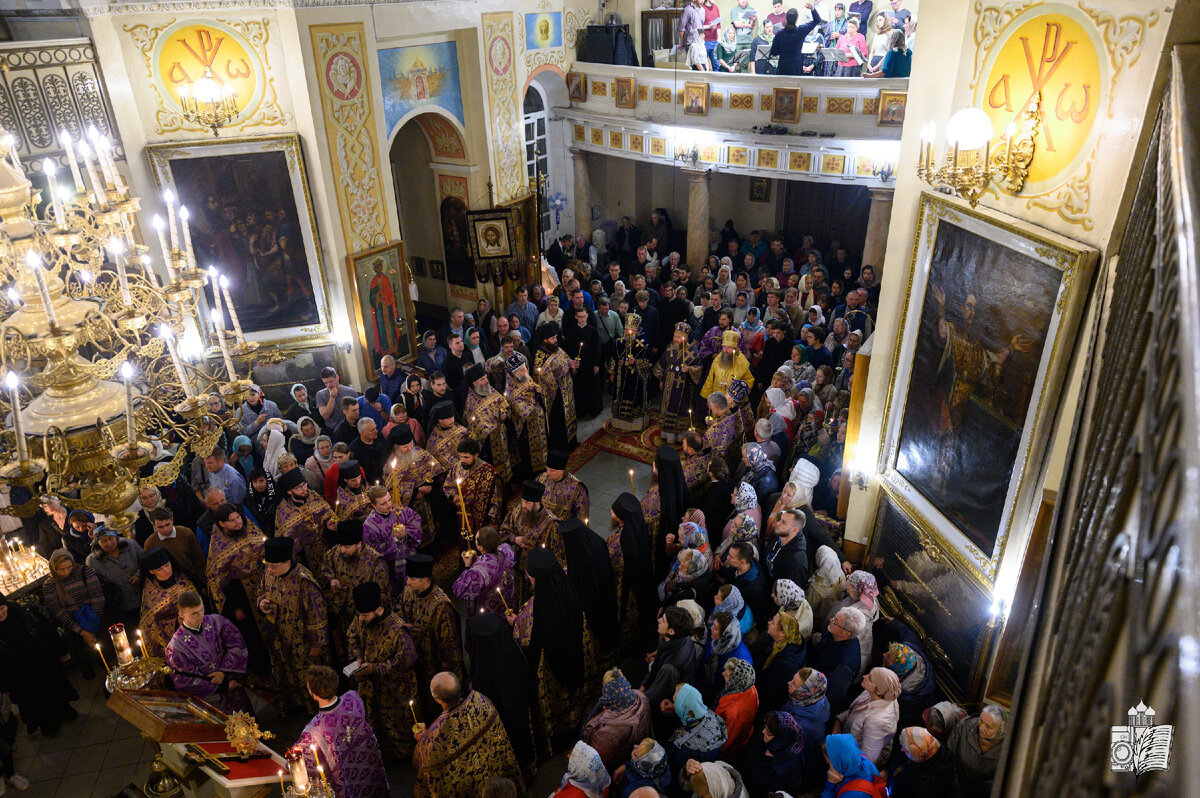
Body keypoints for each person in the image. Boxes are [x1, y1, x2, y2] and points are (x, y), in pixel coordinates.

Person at [510, 547, 600, 757]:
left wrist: (515, 623)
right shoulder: (568, 590)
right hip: (574, 659)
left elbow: (523, 642)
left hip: (550, 672)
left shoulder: (531, 611)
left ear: (535, 578)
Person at [413, 671, 525, 797]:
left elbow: (425, 766)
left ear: (438, 700)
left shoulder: (434, 736)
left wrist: (423, 740)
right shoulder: (481, 700)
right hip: (494, 772)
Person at [345, 581, 418, 762]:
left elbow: (406, 662)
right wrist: (358, 657)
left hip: (394, 690)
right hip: (370, 688)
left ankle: (402, 761)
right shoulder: (361, 617)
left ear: (378, 609)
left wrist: (375, 669)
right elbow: (352, 636)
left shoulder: (397, 630)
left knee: (394, 726)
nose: (360, 619)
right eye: (359, 614)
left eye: (364, 615)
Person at [259, 537, 329, 717]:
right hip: (278, 638)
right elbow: (261, 591)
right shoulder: (270, 573)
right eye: (268, 565)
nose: (269, 570)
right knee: (284, 674)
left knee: (306, 678)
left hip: (302, 643)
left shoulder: (304, 582)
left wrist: (316, 646)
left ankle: (313, 714)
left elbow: (317, 615)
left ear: (287, 562)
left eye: (273, 566)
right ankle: (292, 709)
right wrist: (261, 603)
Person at [297, 665, 390, 798]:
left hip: (348, 781)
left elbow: (301, 762)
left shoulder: (313, 731)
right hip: (368, 769)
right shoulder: (353, 698)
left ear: (314, 695)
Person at [0, 590, 78, 741]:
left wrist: (59, 648)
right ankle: (48, 724)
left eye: (1, 608)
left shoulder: (25, 612)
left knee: (54, 687)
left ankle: (64, 710)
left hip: (43, 661)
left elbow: (46, 629)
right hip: (20, 675)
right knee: (36, 700)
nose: (0, 614)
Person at [166, 589, 251, 713]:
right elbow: (186, 681)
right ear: (181, 614)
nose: (201, 616)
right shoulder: (175, 647)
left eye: (202, 609)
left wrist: (223, 672)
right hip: (211, 697)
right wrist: (223, 686)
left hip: (231, 678)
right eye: (194, 613)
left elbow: (237, 644)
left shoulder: (217, 621)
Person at [399, 553, 464, 700]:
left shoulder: (441, 605)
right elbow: (399, 611)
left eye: (413, 579)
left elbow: (449, 642)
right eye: (408, 578)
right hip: (415, 656)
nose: (408, 582)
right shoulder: (408, 591)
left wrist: (446, 665)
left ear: (426, 580)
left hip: (434, 661)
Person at [321, 520, 391, 648]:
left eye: (347, 547)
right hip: (342, 616)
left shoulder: (376, 562)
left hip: (366, 620)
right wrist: (331, 580)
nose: (342, 550)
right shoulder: (334, 552)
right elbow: (325, 569)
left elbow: (383, 597)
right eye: (341, 545)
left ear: (359, 544)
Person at [42, 550, 105, 679]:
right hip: (73, 623)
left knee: (105, 653)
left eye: (69, 567)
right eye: (61, 569)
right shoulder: (50, 585)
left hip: (94, 615)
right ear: (53, 568)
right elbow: (58, 611)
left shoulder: (84, 571)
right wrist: (82, 632)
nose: (66, 572)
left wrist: (91, 625)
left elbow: (97, 596)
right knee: (83, 656)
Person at [560, 518, 619, 653]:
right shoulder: (597, 542)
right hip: (605, 593)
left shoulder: (577, 559)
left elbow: (577, 586)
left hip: (591, 603)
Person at [499, 480, 566, 590]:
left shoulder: (552, 524)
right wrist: (514, 539)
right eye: (522, 501)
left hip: (539, 576)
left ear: (537, 503)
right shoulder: (517, 511)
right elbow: (504, 531)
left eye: (528, 503)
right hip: (519, 570)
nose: (523, 505)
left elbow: (559, 554)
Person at [384, 426, 445, 547]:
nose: (410, 448)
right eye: (405, 447)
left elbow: (434, 470)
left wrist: (428, 484)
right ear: (397, 447)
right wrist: (417, 490)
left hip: (427, 501)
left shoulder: (420, 453)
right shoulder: (391, 464)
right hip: (409, 507)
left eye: (411, 444)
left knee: (431, 528)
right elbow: (391, 489)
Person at [582, 668, 652, 772]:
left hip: (613, 770)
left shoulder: (606, 734)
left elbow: (597, 767)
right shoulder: (642, 698)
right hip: (631, 758)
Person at [610, 493, 657, 644]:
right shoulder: (636, 527)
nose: (611, 513)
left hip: (629, 586)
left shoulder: (624, 539)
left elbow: (621, 565)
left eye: (614, 511)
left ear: (621, 517)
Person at [833, 667, 900, 766]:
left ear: (879, 691)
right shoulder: (878, 692)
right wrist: (839, 720)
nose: (864, 676)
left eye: (870, 678)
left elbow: (867, 758)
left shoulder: (878, 721)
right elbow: (856, 709)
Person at [140, 547, 198, 658]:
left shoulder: (184, 579)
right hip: (173, 639)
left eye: (167, 565)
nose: (166, 570)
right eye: (160, 569)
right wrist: (177, 622)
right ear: (152, 571)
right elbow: (149, 624)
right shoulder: (149, 593)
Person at [643, 446, 690, 580]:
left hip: (660, 542)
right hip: (677, 538)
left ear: (657, 469)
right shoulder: (681, 483)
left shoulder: (653, 497)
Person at [640, 606, 701, 708]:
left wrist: (639, 700)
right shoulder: (683, 638)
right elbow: (656, 665)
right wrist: (644, 685)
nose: (659, 620)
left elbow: (655, 694)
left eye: (663, 621)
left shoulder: (670, 668)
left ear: (671, 631)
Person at [464, 363, 514, 482]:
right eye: (482, 379)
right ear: (475, 383)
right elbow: (475, 425)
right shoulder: (470, 402)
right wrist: (492, 427)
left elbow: (503, 402)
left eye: (486, 377)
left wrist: (504, 414)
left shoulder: (490, 389)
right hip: (489, 445)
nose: (486, 381)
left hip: (502, 434)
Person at [783, 668, 831, 790]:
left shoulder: (806, 728)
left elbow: (809, 760)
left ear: (806, 692)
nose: (789, 683)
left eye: (794, 684)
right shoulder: (811, 700)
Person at [809, 607, 865, 713]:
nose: (831, 620)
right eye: (834, 616)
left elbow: (832, 696)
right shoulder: (835, 632)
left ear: (846, 634)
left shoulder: (844, 667)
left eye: (835, 621)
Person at [86, 526, 142, 630]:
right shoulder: (92, 561)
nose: (109, 544)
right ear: (97, 543)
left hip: (142, 596)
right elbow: (97, 585)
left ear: (116, 537)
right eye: (103, 541)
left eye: (111, 539)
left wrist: (138, 575)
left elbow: (144, 561)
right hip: (121, 604)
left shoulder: (132, 545)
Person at [655, 323, 702, 443]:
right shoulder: (671, 346)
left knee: (681, 409)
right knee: (666, 408)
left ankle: (679, 436)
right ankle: (667, 434)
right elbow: (662, 363)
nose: (676, 339)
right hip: (668, 384)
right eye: (675, 336)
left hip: (682, 388)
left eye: (679, 337)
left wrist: (689, 369)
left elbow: (699, 368)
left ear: (685, 338)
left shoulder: (692, 350)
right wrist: (661, 379)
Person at [945, 705, 1007, 795]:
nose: (981, 728)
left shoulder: (1009, 747)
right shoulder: (964, 727)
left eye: (988, 727)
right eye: (980, 721)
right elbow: (948, 760)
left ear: (1001, 731)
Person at [828, 570, 879, 675]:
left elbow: (842, 637)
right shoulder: (868, 596)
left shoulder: (856, 619)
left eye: (850, 587)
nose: (848, 587)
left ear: (859, 591)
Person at [505, 356, 549, 478]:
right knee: (531, 454)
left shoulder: (525, 378)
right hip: (527, 429)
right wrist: (534, 403)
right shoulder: (510, 392)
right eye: (521, 369)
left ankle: (546, 466)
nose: (525, 370)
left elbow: (532, 386)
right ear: (513, 373)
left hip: (538, 421)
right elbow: (522, 410)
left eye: (524, 367)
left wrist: (537, 390)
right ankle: (536, 474)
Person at [666, 683, 727, 772]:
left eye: (675, 702)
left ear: (683, 709)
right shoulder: (709, 715)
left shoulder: (687, 748)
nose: (673, 705)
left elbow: (676, 769)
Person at [745, 711, 806, 796]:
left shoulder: (789, 771)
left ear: (780, 739)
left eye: (768, 733)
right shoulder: (764, 739)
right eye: (765, 728)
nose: (763, 732)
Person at [609, 313, 652, 429]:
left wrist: (636, 362)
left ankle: (634, 425)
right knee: (619, 396)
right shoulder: (619, 342)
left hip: (636, 378)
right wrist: (612, 372)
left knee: (634, 398)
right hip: (620, 376)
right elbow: (613, 357)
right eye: (626, 329)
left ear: (637, 330)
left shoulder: (644, 344)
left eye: (631, 330)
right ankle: (618, 422)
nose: (628, 332)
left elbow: (648, 363)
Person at [888, 726, 955, 798]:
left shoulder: (928, 786)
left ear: (922, 753)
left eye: (907, 749)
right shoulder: (924, 752)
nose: (902, 749)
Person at [564, 305, 603, 420]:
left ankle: (592, 410)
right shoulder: (571, 332)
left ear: (587, 316)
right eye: (579, 317)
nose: (582, 319)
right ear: (576, 317)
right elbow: (568, 350)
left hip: (590, 365)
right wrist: (572, 365)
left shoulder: (593, 331)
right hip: (578, 366)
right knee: (579, 389)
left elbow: (597, 349)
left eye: (584, 316)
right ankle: (580, 411)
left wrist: (596, 364)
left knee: (592, 388)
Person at [820, 733, 881, 798]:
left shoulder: (854, 794)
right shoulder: (861, 759)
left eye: (830, 761)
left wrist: (830, 784)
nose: (827, 762)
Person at [770, 3, 824, 75]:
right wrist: (812, 8)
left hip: (783, 67)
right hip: (796, 67)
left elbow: (774, 52)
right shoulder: (801, 30)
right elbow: (817, 20)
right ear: (796, 19)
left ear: (786, 18)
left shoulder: (780, 33)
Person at [538, 449, 590, 521]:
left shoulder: (577, 488)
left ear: (562, 470)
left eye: (552, 471)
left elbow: (582, 516)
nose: (548, 473)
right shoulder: (542, 478)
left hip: (564, 528)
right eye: (547, 469)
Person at [679, 0, 710, 70]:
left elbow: (701, 27)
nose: (703, 1)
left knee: (703, 66)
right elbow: (681, 29)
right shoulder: (687, 10)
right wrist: (682, 42)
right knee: (695, 67)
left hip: (700, 42)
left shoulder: (703, 10)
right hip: (690, 42)